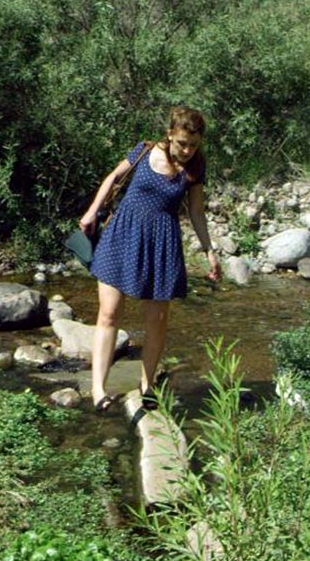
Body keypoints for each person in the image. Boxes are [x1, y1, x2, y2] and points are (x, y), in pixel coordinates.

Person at [79, 106, 222, 413]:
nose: (187, 150)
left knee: (156, 322)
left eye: (193, 145)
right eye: (182, 143)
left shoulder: (195, 167)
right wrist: (91, 211)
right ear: (170, 134)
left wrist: (209, 250)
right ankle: (98, 390)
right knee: (108, 315)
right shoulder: (144, 151)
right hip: (121, 235)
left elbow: (196, 212)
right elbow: (113, 177)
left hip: (162, 245)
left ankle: (147, 386)